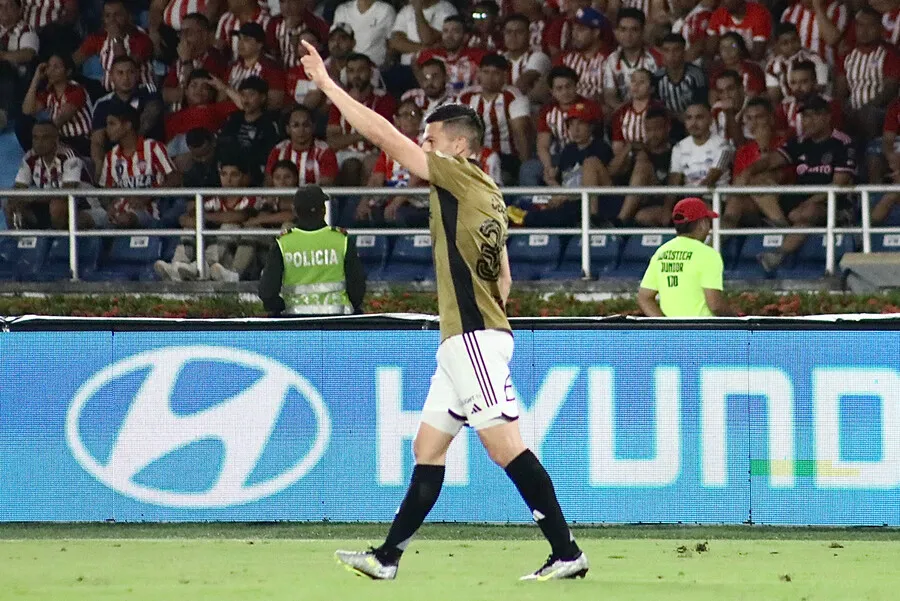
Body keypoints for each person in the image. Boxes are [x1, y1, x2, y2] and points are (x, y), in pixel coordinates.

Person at [298, 37, 588, 581]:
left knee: (507, 449)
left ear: (458, 146)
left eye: (429, 139)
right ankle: (387, 558)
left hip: (472, 338)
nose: (421, 146)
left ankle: (567, 552)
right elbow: (504, 276)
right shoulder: (492, 193)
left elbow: (381, 135)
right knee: (427, 447)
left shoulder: (454, 174)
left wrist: (328, 86)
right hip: (473, 335)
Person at [743, 96, 856, 273]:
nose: (807, 121)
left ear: (826, 117)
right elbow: (771, 161)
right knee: (757, 182)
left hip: (831, 203)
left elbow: (838, 186)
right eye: (804, 117)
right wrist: (749, 171)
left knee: (806, 214)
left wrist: (809, 203)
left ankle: (777, 255)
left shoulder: (842, 142)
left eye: (812, 116)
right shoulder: (800, 141)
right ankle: (783, 226)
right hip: (799, 200)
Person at [258, 185, 366, 315]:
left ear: (295, 211)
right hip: (337, 320)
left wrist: (281, 308)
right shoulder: (341, 240)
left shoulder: (283, 243)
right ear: (324, 210)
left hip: (295, 323)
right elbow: (357, 288)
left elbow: (267, 293)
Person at [637, 197, 731, 317]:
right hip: (703, 332)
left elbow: (644, 298)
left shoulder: (661, 252)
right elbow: (715, 305)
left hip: (673, 334)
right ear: (702, 224)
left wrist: (665, 326)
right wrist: (736, 321)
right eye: (708, 222)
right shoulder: (708, 255)